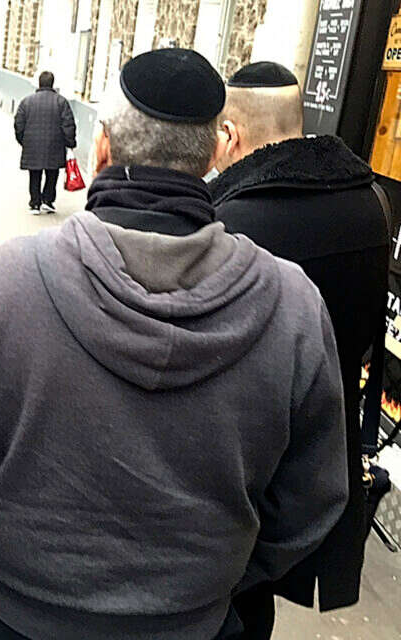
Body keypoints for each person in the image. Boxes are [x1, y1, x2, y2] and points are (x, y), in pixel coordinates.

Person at [0, 49, 348, 640]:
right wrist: (225, 575)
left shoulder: (4, 280)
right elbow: (313, 495)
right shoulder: (293, 304)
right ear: (216, 153)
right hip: (197, 618)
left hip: (18, 611)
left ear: (102, 147)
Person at [210, 61, 390, 639]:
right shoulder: (372, 203)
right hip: (324, 447)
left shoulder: (228, 221)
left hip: (241, 456)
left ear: (230, 134)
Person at [14, 71, 77, 215]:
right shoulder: (61, 102)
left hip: (32, 144)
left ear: (39, 83)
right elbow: (68, 124)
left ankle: (35, 203)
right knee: (52, 173)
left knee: (34, 173)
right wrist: (70, 143)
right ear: (52, 83)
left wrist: (24, 140)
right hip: (55, 144)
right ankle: (48, 201)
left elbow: (19, 124)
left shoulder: (27, 102)